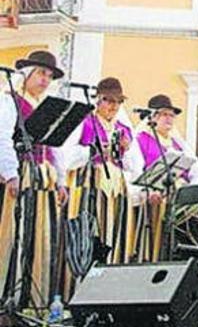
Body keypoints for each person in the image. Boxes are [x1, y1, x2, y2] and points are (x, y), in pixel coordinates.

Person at [0, 50, 68, 308]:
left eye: (49, 76)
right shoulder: (10, 102)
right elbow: (2, 137)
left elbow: (54, 147)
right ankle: (9, 295)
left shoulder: (45, 107)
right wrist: (10, 174)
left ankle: (33, 297)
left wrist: (60, 180)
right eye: (41, 73)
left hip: (43, 177)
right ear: (27, 74)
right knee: (14, 234)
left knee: (40, 234)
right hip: (22, 172)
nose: (45, 79)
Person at [62, 77, 145, 265]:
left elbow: (136, 167)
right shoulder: (85, 122)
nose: (114, 106)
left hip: (116, 192)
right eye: (109, 100)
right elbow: (66, 157)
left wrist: (127, 149)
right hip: (88, 188)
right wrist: (93, 151)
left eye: (118, 102)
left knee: (114, 240)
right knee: (88, 240)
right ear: (98, 99)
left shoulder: (123, 129)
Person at [131, 94, 198, 262]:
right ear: (152, 116)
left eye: (172, 115)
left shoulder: (178, 143)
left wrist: (196, 189)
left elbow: (197, 171)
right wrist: (147, 193)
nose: (169, 119)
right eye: (164, 114)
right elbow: (135, 173)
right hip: (154, 202)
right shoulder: (139, 140)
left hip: (180, 198)